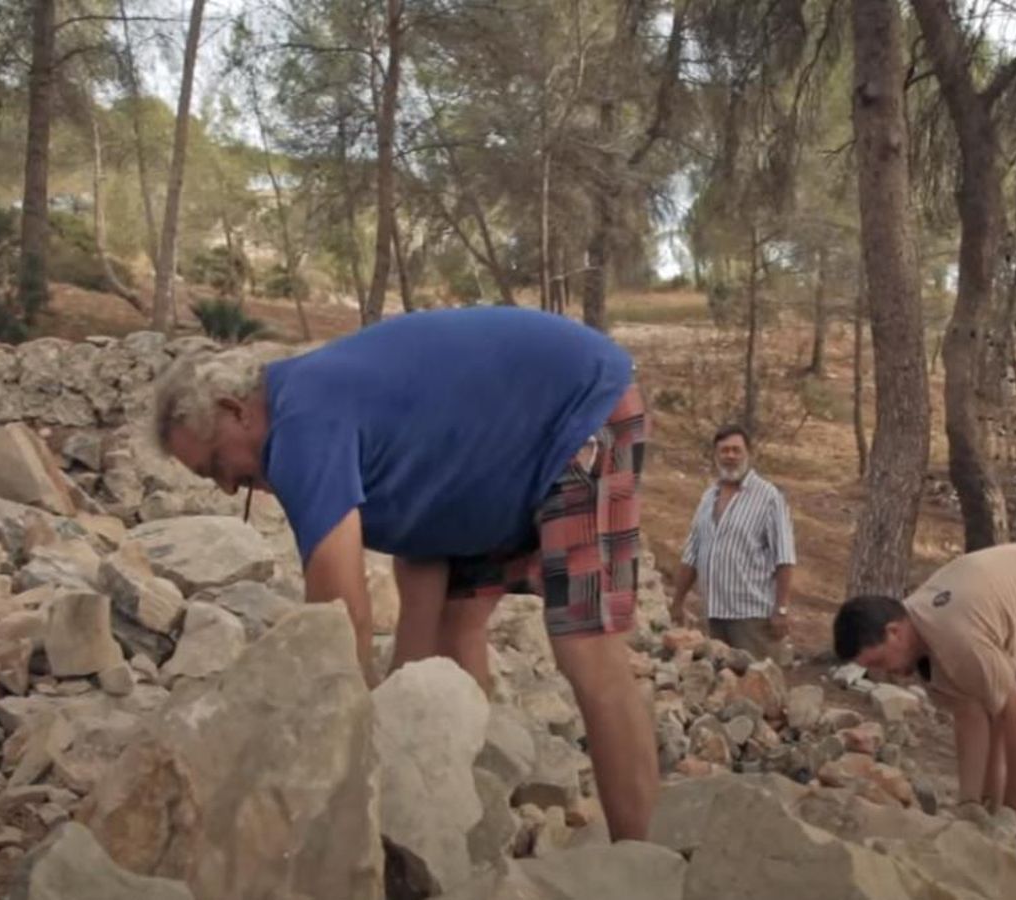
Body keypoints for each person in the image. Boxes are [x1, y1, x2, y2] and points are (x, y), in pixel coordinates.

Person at [153, 307, 658, 841]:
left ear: (237, 412)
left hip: (579, 408)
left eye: (214, 467)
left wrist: (337, 763)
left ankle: (644, 860)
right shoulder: (362, 439)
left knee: (586, 647)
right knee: (451, 623)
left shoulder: (300, 423)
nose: (229, 488)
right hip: (489, 463)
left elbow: (340, 616)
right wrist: (389, 768)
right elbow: (416, 626)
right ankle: (446, 829)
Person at [831, 543, 1016, 899]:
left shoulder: (956, 638)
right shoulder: (921, 649)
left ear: (895, 631)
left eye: (878, 662)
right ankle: (993, 848)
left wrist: (1011, 814)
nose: (883, 674)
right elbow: (972, 719)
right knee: (995, 720)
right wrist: (968, 805)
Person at [669, 424, 796, 661]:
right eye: (724, 451)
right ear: (716, 455)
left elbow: (785, 557)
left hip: (752, 619)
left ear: (749, 454)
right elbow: (691, 555)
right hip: (715, 616)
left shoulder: (769, 497)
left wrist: (782, 609)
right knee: (721, 687)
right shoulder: (708, 497)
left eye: (736, 450)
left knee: (755, 687)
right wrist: (677, 602)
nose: (730, 456)